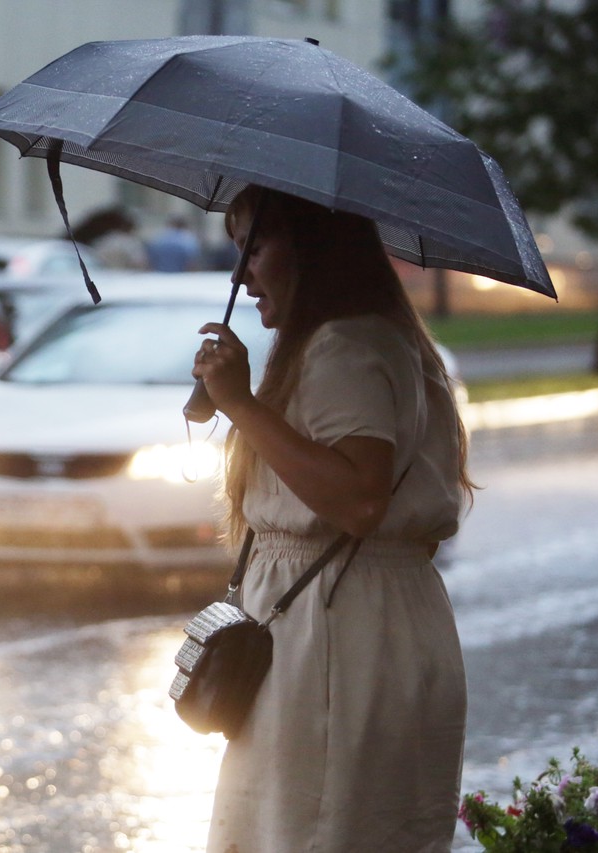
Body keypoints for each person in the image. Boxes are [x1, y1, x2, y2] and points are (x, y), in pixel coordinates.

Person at [191, 185, 472, 852]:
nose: (240, 274)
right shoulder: (367, 339)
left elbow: (359, 499)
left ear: (312, 249)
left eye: (254, 247)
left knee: (311, 832)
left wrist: (241, 404)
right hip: (357, 625)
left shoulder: (346, 346)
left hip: (336, 637)